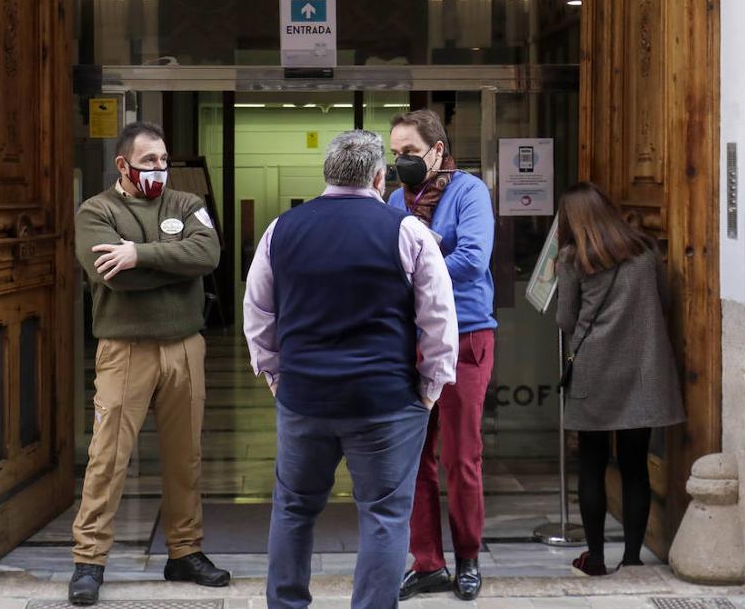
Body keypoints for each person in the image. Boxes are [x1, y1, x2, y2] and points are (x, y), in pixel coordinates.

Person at [244, 130, 459, 609]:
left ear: (326, 175)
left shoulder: (281, 229)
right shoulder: (406, 231)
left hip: (305, 400)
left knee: (295, 509)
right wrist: (429, 391)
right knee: (384, 516)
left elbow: (257, 313)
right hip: (384, 402)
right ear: (380, 177)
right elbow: (439, 319)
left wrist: (277, 375)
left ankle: (285, 604)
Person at [68, 122, 230, 605]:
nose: (159, 169)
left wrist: (138, 254)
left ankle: (184, 551)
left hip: (184, 346)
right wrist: (169, 266)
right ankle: (89, 560)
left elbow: (208, 254)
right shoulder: (97, 211)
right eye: (149, 162)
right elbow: (112, 277)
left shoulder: (185, 204)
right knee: (107, 457)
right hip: (124, 349)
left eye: (163, 160)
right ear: (123, 165)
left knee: (186, 458)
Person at [388, 110, 496, 602]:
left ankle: (468, 558)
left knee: (460, 455)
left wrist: (422, 273)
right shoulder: (394, 200)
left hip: (465, 335)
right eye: (395, 155)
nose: (401, 163)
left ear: (437, 148)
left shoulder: (468, 192)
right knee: (414, 457)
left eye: (409, 153)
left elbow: (473, 259)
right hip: (410, 339)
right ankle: (427, 561)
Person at [553, 181, 686, 576]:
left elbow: (565, 319)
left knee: (592, 465)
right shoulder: (645, 252)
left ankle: (595, 558)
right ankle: (632, 558)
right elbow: (662, 302)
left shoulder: (573, 258)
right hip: (643, 370)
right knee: (634, 466)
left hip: (594, 371)